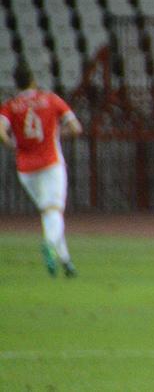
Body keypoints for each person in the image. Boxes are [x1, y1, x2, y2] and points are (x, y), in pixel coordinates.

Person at [0, 63, 84, 278]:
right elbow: (76, 128)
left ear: (16, 83)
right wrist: (56, 135)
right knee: (54, 211)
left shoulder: (10, 105)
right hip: (50, 163)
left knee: (49, 213)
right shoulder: (51, 99)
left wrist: (10, 143)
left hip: (25, 168)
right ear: (33, 81)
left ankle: (66, 263)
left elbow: (1, 130)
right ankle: (49, 245)